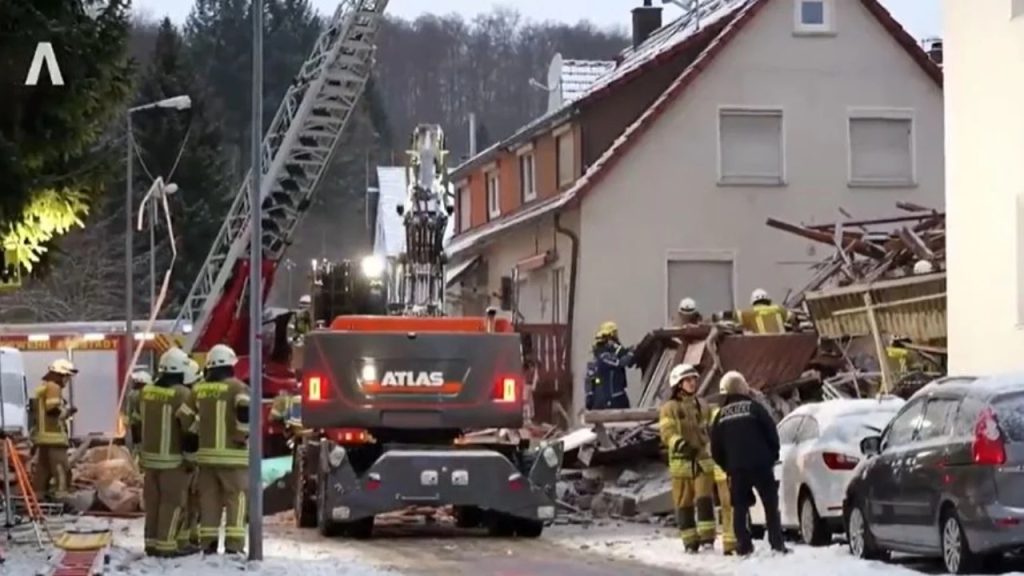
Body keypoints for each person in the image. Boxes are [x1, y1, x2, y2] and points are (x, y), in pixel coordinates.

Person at [710, 371, 788, 556]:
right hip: (761, 465)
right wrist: (772, 455)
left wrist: (727, 466)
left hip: (737, 469)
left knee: (740, 507)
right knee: (770, 506)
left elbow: (715, 448)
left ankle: (744, 545)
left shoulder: (720, 416)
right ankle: (777, 544)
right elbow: (771, 431)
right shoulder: (754, 408)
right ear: (743, 387)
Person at [193, 344, 250, 556]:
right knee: (236, 498)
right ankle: (234, 545)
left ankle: (208, 543)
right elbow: (245, 412)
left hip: (206, 457)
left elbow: (190, 419)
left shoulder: (199, 389)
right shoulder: (237, 388)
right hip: (232, 457)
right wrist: (242, 436)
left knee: (208, 499)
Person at [139, 348, 197, 557]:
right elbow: (189, 430)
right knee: (172, 503)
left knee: (153, 503)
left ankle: (151, 543)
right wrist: (191, 459)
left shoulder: (147, 392)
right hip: (173, 461)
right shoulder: (182, 393)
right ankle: (167, 545)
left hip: (150, 460)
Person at [659, 363, 716, 552]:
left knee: (704, 498)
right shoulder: (669, 408)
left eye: (694, 379)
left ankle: (708, 538)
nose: (692, 383)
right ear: (678, 383)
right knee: (684, 503)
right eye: (688, 380)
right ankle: (690, 542)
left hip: (702, 460)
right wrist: (680, 445)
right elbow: (667, 432)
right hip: (682, 463)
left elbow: (712, 424)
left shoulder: (702, 404)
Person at [29, 358, 77, 502]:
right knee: (62, 471)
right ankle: (62, 501)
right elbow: (52, 410)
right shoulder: (54, 387)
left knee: (43, 471)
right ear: (60, 374)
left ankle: (39, 499)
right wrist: (67, 412)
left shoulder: (44, 387)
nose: (67, 381)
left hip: (43, 438)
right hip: (54, 438)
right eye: (67, 377)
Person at [178, 359, 203, 553]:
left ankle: (190, 535)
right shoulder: (189, 395)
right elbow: (189, 426)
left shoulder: (188, 394)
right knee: (190, 500)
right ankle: (188, 537)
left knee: (189, 499)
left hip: (185, 455)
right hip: (192, 457)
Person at [707, 403, 737, 556]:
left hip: (719, 473)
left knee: (726, 508)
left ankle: (729, 542)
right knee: (732, 506)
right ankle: (732, 541)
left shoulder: (712, 429)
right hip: (727, 472)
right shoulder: (725, 428)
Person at [590, 321, 633, 409]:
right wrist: (632, 353)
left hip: (617, 397)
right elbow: (622, 362)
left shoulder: (607, 354)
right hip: (611, 400)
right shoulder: (604, 356)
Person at [124, 368, 152, 455]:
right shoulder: (141, 394)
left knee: (137, 448)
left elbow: (129, 412)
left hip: (138, 428)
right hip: (140, 428)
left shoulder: (133, 394)